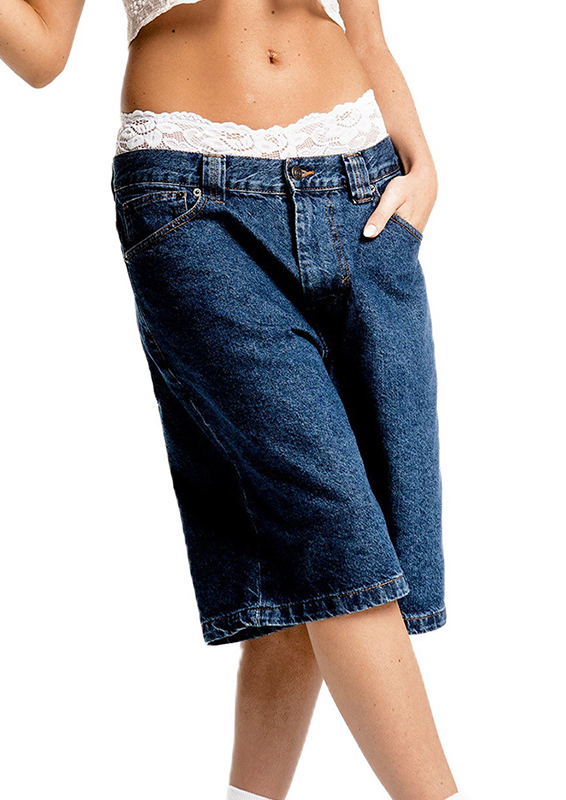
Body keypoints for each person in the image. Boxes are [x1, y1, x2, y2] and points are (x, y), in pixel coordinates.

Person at [1, 2, 467, 799]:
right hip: (191, 199)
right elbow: (42, 49)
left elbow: (367, 35)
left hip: (363, 189)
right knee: (332, 528)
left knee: (300, 568)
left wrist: (423, 166)